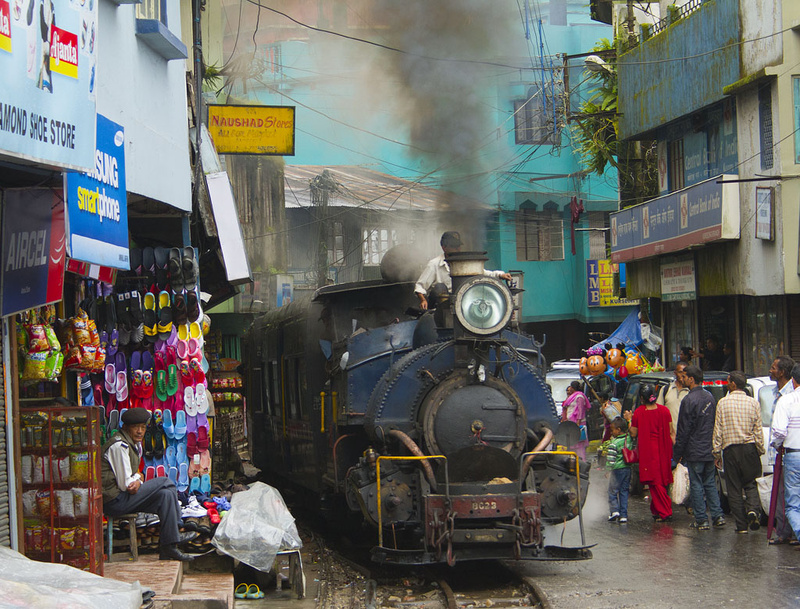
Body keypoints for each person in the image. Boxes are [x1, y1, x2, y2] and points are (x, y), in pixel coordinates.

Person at [101, 408, 196, 561]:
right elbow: (127, 485)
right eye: (135, 427)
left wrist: (138, 477)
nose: (140, 431)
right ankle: (176, 531)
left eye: (143, 427)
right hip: (114, 501)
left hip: (122, 497)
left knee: (165, 495)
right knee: (167, 482)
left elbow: (135, 477)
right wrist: (138, 478)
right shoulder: (119, 446)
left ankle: (168, 549)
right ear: (125, 427)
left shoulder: (133, 444)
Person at [712, 370, 765, 533]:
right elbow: (758, 430)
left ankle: (741, 526)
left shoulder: (722, 403)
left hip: (730, 451)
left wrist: (716, 452)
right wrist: (760, 449)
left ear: (733, 384)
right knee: (751, 484)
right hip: (749, 449)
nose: (727, 384)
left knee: (734, 488)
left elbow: (718, 430)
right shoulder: (753, 403)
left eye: (728, 381)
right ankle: (753, 511)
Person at [674, 365, 725, 530]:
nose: (683, 379)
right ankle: (717, 516)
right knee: (710, 482)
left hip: (694, 450)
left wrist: (678, 454)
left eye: (685, 377)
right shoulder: (710, 398)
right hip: (709, 448)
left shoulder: (688, 400)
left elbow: (683, 429)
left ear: (691, 379)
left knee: (696, 483)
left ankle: (701, 519)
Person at [414, 231, 512, 311]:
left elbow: (483, 273)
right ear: (444, 247)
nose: (458, 249)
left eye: (458, 246)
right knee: (440, 288)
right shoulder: (434, 264)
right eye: (454, 246)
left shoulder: (463, 262)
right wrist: (423, 300)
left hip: (463, 302)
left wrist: (501, 275)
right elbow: (420, 286)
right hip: (440, 307)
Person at [625, 384, 674, 522]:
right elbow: (671, 431)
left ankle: (665, 512)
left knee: (655, 483)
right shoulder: (665, 411)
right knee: (660, 482)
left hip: (649, 451)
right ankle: (657, 510)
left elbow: (633, 433)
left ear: (642, 398)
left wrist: (629, 419)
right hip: (663, 449)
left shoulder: (639, 412)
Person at [769, 355, 798, 544]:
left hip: (791, 453)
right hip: (787, 454)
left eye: (773, 367)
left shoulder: (787, 398)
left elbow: (779, 432)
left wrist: (777, 445)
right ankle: (785, 531)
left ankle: (794, 532)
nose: (770, 370)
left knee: (792, 500)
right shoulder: (775, 393)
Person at [605, 417, 632, 524]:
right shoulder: (628, 438)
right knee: (624, 492)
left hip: (617, 470)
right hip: (627, 469)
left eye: (613, 430)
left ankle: (614, 511)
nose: (611, 432)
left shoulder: (614, 443)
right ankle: (624, 515)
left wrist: (608, 470)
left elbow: (611, 460)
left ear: (619, 429)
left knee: (612, 491)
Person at [562, 380, 591, 460]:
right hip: (571, 423)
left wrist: (577, 422)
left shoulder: (579, 397)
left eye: (571, 387)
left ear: (573, 388)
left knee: (579, 443)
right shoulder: (572, 397)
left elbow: (580, 410)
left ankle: (581, 461)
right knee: (571, 442)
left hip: (578, 423)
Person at [656, 361, 688, 431]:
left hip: (686, 436)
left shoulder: (690, 391)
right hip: (668, 434)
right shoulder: (666, 389)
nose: (682, 375)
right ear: (675, 373)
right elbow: (658, 412)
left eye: (684, 373)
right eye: (680, 372)